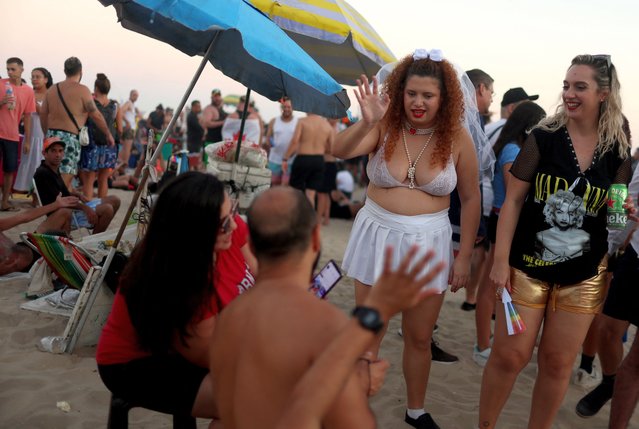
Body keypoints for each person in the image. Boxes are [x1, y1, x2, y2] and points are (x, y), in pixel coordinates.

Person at [479, 54, 633, 429]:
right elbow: (513, 200)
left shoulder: (617, 147)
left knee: (558, 362)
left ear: (603, 93)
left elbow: (613, 215)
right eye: (566, 85)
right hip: (528, 265)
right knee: (511, 356)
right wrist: (500, 261)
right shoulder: (543, 137)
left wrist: (624, 212)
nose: (569, 93)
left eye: (580, 86)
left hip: (583, 276)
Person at [210, 186, 447, 429]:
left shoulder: (232, 314)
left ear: (252, 245)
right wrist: (359, 382)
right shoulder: (322, 324)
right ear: (315, 238)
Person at [333, 49, 481, 429]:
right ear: (399, 91)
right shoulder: (383, 125)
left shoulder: (458, 138)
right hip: (377, 233)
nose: (418, 102)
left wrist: (463, 257)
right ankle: (354, 406)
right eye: (411, 93)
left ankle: (415, 410)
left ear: (444, 98)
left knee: (418, 337)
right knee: (369, 330)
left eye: (428, 95)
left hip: (429, 242)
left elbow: (470, 198)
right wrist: (366, 122)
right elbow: (339, 150)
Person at [96, 172, 238, 427]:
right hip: (129, 366)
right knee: (248, 402)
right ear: (196, 228)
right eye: (224, 223)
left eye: (233, 214)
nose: (234, 227)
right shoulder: (179, 273)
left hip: (165, 350)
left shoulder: (178, 251)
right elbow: (211, 356)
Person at [472, 101, 546, 367]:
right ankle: (482, 344)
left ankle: (486, 340)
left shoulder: (509, 146)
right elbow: (514, 189)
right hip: (503, 219)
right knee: (491, 286)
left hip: (500, 216)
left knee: (492, 285)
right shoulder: (513, 150)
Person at [575, 121, 637, 420]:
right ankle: (606, 377)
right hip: (630, 253)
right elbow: (627, 203)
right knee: (607, 329)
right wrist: (611, 248)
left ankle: (598, 373)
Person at [40, 57, 115, 188]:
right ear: (81, 71)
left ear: (65, 70)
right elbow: (96, 114)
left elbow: (43, 113)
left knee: (51, 173)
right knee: (65, 177)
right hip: (69, 138)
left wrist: (46, 133)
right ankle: (55, 205)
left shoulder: (52, 89)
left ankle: (51, 204)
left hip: (51, 135)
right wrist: (108, 134)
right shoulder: (82, 90)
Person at [33, 136, 120, 234]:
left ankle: (97, 235)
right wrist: (85, 208)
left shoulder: (53, 168)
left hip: (71, 208)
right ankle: (93, 241)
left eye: (60, 151)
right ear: (44, 153)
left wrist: (78, 195)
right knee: (107, 209)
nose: (57, 155)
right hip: (64, 214)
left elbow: (62, 193)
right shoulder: (44, 173)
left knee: (115, 200)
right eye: (53, 151)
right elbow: (62, 202)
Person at [0, 192, 79, 276]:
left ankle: (68, 256)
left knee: (64, 212)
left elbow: (24, 217)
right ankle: (67, 261)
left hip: (29, 246)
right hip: (28, 266)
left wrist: (56, 204)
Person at [0, 57, 36, 211]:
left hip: (12, 135)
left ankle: (5, 202)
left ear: (22, 69)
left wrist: (27, 140)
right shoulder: (1, 85)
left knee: (10, 170)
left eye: (13, 69)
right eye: (8, 69)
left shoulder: (28, 91)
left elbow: (28, 116)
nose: (9, 72)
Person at [78, 73, 121, 199]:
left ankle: (89, 207)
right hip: (109, 146)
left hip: (92, 145)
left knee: (89, 180)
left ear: (96, 88)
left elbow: (82, 122)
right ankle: (101, 206)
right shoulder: (115, 106)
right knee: (103, 179)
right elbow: (120, 128)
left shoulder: (91, 103)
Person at [13, 67, 52, 194]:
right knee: (29, 164)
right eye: (32, 77)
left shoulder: (50, 94)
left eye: (38, 77)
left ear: (45, 79)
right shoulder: (28, 93)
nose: (34, 79)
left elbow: (49, 115)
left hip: (44, 134)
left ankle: (40, 196)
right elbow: (23, 114)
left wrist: (34, 104)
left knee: (41, 164)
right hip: (30, 133)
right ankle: (30, 194)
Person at [282, 114, 334, 208]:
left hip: (303, 158)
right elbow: (331, 148)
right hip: (319, 160)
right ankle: (309, 221)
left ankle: (294, 219)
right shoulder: (326, 125)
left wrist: (285, 158)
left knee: (295, 191)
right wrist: (320, 147)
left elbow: (295, 141)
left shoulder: (302, 121)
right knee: (311, 194)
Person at [265, 97, 298, 185]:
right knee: (274, 184)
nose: (286, 109)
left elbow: (300, 141)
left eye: (289, 107)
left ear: (292, 108)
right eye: (284, 107)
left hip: (290, 160)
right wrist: (269, 143)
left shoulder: (298, 122)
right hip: (274, 159)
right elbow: (268, 138)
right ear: (281, 108)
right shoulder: (274, 121)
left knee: (285, 185)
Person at [118, 89, 140, 171]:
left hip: (130, 129)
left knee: (126, 148)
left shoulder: (132, 105)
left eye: (137, 96)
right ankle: (123, 166)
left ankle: (121, 166)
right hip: (128, 129)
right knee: (127, 149)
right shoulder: (128, 103)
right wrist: (127, 122)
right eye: (134, 95)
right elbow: (120, 111)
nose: (136, 97)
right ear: (130, 94)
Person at [186, 100, 204, 169]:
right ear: (193, 107)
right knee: (192, 162)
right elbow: (199, 128)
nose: (200, 108)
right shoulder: (191, 116)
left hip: (196, 142)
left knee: (195, 161)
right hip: (193, 142)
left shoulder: (195, 116)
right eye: (198, 106)